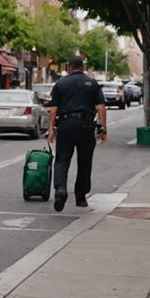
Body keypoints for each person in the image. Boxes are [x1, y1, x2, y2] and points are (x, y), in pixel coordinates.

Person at [47, 56, 107, 212]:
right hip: (86, 126)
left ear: (69, 68)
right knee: (85, 162)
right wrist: (103, 129)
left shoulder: (61, 83)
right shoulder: (92, 84)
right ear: (82, 67)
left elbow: (53, 110)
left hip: (66, 125)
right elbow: (101, 108)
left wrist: (51, 130)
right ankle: (81, 198)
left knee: (62, 159)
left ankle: (60, 189)